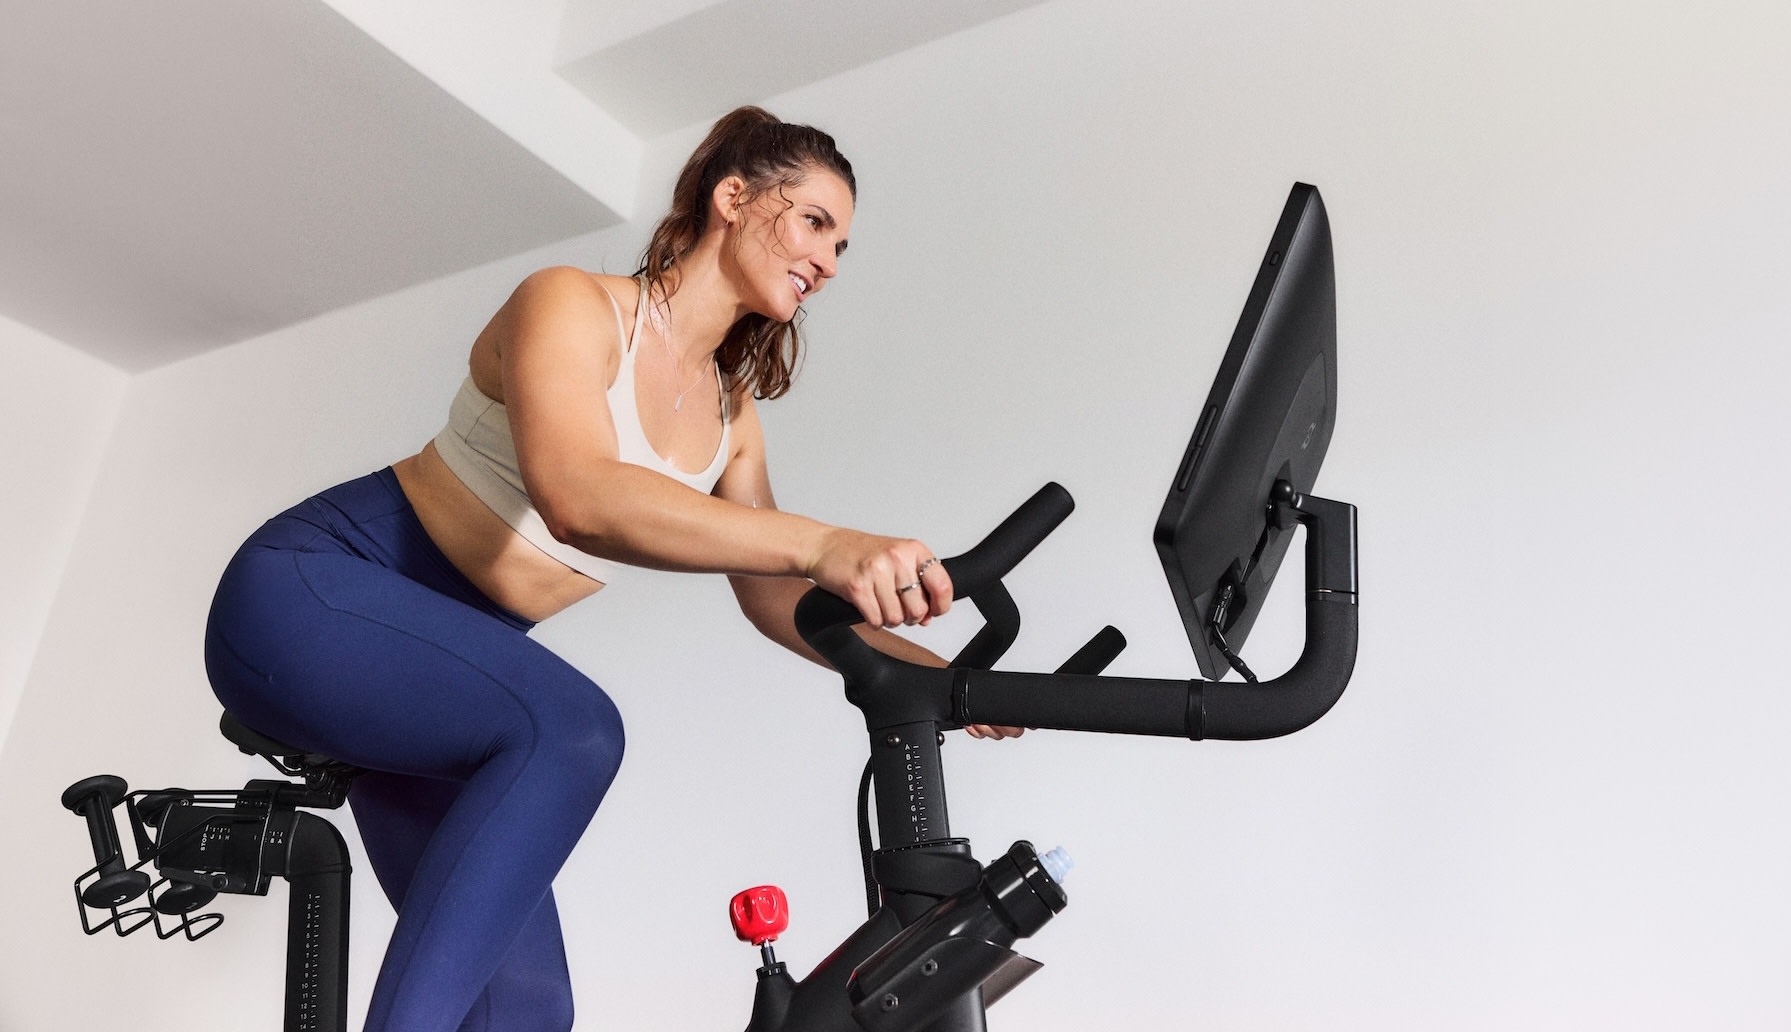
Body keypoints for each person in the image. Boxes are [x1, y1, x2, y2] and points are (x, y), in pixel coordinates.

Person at [203, 105, 1019, 1032]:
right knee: (575, 730)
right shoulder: (573, 304)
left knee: (526, 1012)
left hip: (452, 678)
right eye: (815, 223)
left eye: (843, 245)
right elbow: (578, 497)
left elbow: (776, 598)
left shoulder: (730, 413)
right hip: (314, 594)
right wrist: (824, 540)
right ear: (734, 197)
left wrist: (946, 683)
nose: (830, 261)